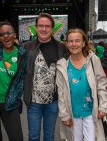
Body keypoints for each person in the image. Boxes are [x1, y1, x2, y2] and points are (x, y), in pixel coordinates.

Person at [56, 28, 107, 141]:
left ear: (83, 42)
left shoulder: (93, 60)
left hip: (91, 112)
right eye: (70, 41)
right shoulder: (62, 65)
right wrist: (64, 115)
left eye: (77, 40)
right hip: (73, 112)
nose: (74, 44)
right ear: (66, 43)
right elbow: (60, 93)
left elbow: (102, 84)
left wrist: (103, 106)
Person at [23, 13, 67, 141]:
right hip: (33, 102)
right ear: (36, 28)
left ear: (52, 28)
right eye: (41, 25)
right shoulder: (27, 47)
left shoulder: (61, 47)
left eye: (47, 26)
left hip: (53, 101)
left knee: (49, 136)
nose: (44, 29)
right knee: (33, 136)